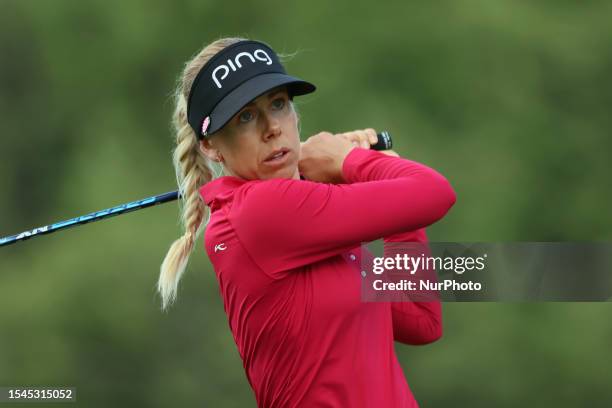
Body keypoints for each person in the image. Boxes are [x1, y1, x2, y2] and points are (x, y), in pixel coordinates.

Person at [158, 37, 456, 407]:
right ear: (210, 146)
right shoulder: (259, 212)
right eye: (245, 117)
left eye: (279, 104)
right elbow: (435, 192)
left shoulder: (310, 215)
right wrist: (354, 162)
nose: (272, 128)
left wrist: (372, 180)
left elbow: (420, 318)